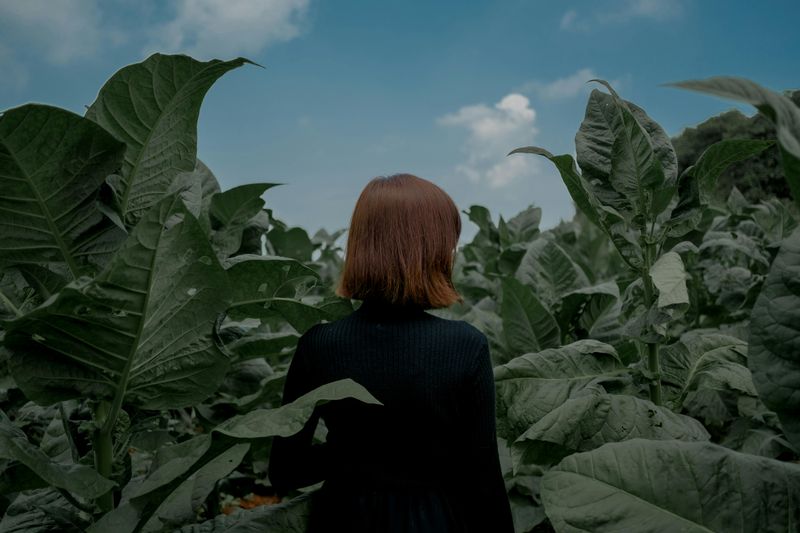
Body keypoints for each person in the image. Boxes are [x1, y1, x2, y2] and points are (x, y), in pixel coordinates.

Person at [268, 173, 514, 532]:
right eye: (449, 241)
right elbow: (483, 479)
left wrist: (357, 455)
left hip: (342, 518)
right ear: (429, 249)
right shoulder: (465, 345)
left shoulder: (319, 344)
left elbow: (286, 471)